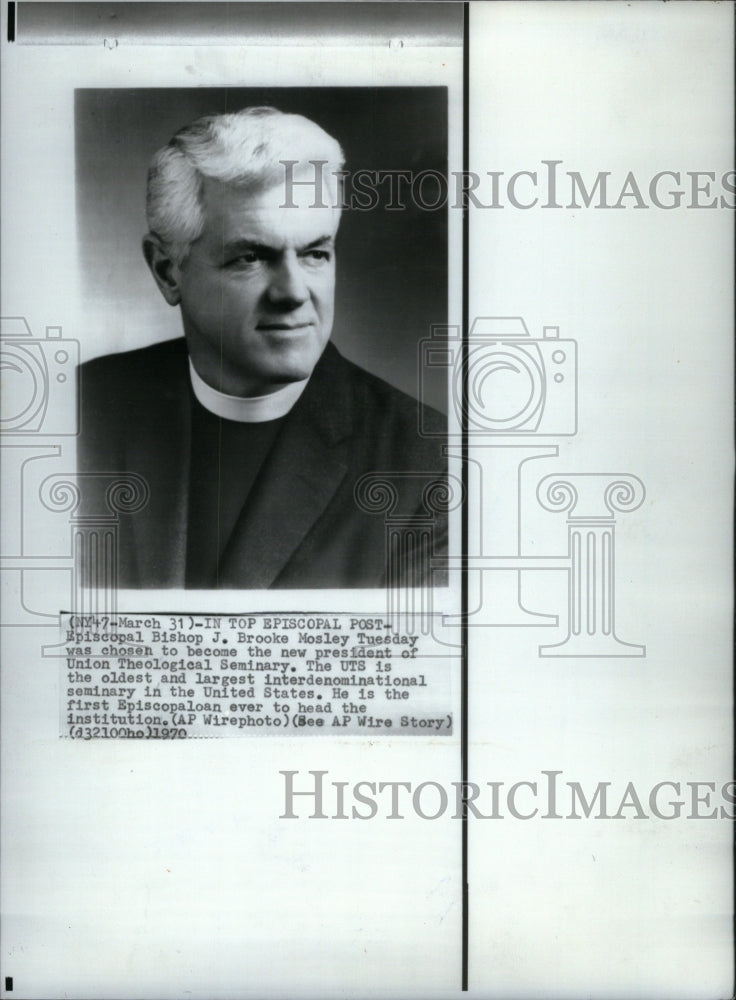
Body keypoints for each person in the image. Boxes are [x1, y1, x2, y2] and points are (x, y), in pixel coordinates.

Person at [77, 106, 447, 589]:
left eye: (316, 253)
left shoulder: (426, 463)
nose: (293, 292)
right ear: (168, 271)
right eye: (251, 257)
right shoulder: (80, 408)